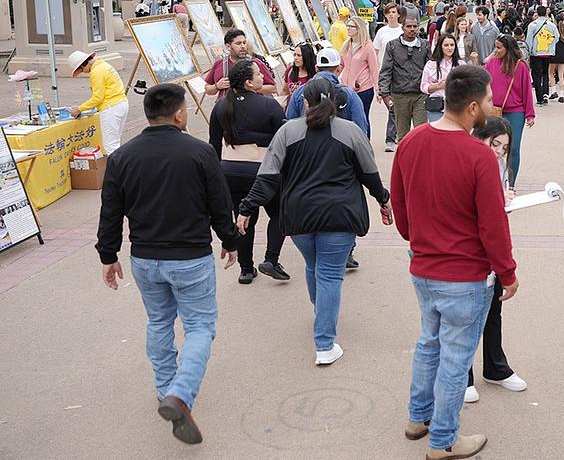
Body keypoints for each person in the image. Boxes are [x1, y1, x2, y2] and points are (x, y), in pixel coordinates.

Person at [97, 83, 238, 445]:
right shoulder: (200, 152)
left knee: (159, 321)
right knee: (200, 326)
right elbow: (219, 203)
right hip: (190, 257)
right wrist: (229, 240)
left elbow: (111, 210)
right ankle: (180, 393)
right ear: (178, 114)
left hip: (145, 258)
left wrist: (108, 255)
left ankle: (165, 389)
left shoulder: (122, 157)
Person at [391, 65, 518, 460]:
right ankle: (444, 439)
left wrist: (417, 239)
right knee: (455, 357)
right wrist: (507, 272)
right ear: (474, 107)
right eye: (490, 100)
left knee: (429, 342)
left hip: (424, 266)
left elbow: (400, 203)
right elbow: (492, 224)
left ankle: (419, 417)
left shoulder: (411, 141)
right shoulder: (479, 155)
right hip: (464, 273)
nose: (494, 105)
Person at [238, 77, 391, 365]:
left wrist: (246, 207)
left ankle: (322, 312)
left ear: (304, 102)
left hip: (299, 215)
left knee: (313, 266)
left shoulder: (287, 131)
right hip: (341, 214)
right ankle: (324, 344)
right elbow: (369, 174)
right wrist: (383, 199)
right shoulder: (351, 131)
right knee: (330, 275)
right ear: (335, 101)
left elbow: (267, 176)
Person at [464, 116, 526, 404]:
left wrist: (506, 197)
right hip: (468, 249)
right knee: (466, 316)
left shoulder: (499, 164)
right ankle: (463, 376)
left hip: (492, 247)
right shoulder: (468, 160)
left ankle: (495, 367)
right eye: (495, 144)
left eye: (505, 147)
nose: (500, 151)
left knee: (493, 309)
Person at [209, 60, 288, 284]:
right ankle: (271, 259)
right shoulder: (270, 105)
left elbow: (214, 145)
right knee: (279, 214)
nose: (263, 76)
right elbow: (284, 141)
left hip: (231, 171)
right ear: (248, 83)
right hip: (264, 170)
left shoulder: (221, 106)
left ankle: (245, 269)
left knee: (244, 218)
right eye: (258, 74)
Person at [483, 35, 535, 187]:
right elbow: (482, 84)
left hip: (515, 112)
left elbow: (527, 91)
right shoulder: (491, 63)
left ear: (508, 49)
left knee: (513, 148)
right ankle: (492, 181)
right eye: (495, 47)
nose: (496, 50)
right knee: (490, 146)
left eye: (499, 47)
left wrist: (530, 114)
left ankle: (510, 184)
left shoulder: (520, 66)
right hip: (493, 111)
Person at [378, 13, 431, 146]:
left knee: (421, 134)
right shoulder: (392, 46)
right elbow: (386, 71)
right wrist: (385, 94)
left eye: (415, 26)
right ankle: (404, 158)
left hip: (420, 95)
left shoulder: (425, 45)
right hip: (400, 95)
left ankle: (420, 158)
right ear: (402, 27)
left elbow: (431, 69)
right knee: (403, 137)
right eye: (408, 26)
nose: (412, 29)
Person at [286, 49, 368, 134]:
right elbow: (361, 129)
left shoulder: (299, 93)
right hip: (341, 140)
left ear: (316, 68)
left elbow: (290, 126)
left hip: (306, 140)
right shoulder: (350, 94)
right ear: (339, 69)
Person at [67, 51, 129, 154]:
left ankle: (116, 165)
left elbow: (97, 98)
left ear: (83, 64)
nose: (84, 72)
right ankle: (121, 163)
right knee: (115, 142)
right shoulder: (104, 65)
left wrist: (79, 109)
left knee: (110, 146)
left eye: (81, 70)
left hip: (110, 108)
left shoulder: (96, 72)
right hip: (122, 104)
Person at [203, 29, 277, 97]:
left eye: (244, 43)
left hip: (251, 105)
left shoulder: (255, 63)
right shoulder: (219, 63)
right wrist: (217, 86)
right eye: (238, 43)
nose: (243, 46)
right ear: (228, 46)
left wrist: (249, 87)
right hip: (227, 106)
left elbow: (273, 88)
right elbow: (208, 89)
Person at [373, 3, 404, 151]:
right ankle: (393, 135)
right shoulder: (381, 32)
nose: (391, 14)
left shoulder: (402, 30)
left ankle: (393, 136)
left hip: (401, 72)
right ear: (385, 15)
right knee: (391, 105)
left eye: (394, 12)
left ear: (398, 14)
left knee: (397, 105)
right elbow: (375, 52)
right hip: (385, 72)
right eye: (389, 12)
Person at [340, 15, 380, 125]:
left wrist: (378, 89)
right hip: (346, 88)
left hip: (363, 88)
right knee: (347, 118)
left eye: (351, 26)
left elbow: (374, 69)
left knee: (362, 118)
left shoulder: (367, 46)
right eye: (347, 26)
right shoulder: (346, 45)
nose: (348, 28)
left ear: (359, 29)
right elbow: (340, 65)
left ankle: (365, 136)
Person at [421, 34, 462, 123]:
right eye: (446, 45)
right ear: (440, 46)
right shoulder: (431, 64)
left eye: (452, 45)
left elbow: (467, 86)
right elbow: (423, 86)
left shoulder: (461, 64)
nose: (449, 48)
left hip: (455, 107)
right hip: (436, 107)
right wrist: (438, 86)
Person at [525, 5, 559, 105]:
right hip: (548, 53)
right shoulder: (552, 25)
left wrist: (529, 51)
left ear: (537, 13)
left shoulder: (532, 25)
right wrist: (550, 45)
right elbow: (557, 37)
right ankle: (545, 94)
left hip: (536, 54)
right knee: (545, 73)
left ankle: (539, 98)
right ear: (546, 13)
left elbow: (529, 40)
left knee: (536, 75)